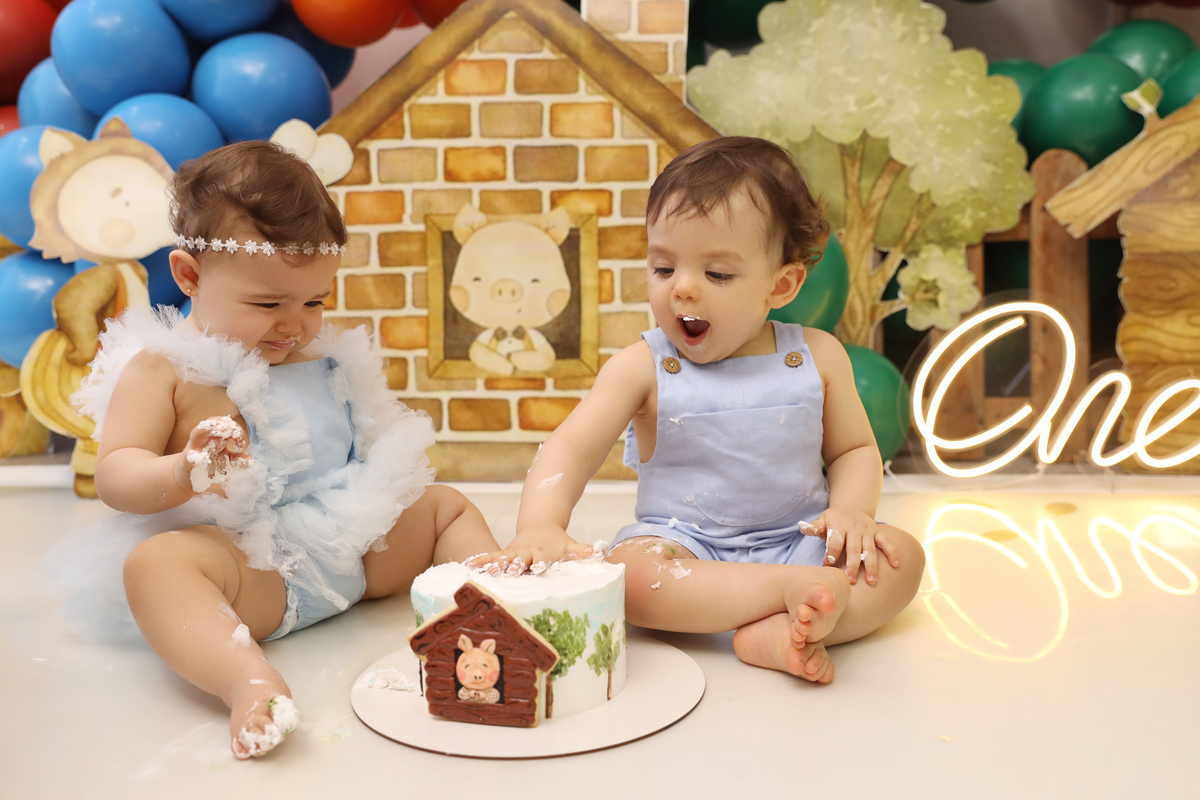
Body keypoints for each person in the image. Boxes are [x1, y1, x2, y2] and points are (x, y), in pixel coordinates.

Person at [47, 141, 499, 758]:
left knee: (444, 506)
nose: (295, 324)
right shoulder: (164, 370)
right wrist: (182, 471)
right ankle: (246, 679)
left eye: (314, 301)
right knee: (156, 566)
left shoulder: (319, 356)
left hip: (353, 544)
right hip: (250, 572)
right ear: (189, 276)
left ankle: (495, 611)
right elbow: (116, 474)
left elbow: (359, 450)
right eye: (267, 304)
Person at [471, 137, 925, 684]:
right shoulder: (643, 366)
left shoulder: (816, 357)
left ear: (780, 284)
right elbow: (569, 447)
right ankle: (787, 606)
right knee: (631, 575)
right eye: (664, 268)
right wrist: (540, 525)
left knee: (900, 557)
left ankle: (779, 628)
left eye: (717, 274)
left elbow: (853, 450)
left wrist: (852, 513)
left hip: (796, 542)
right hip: (683, 548)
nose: (683, 289)